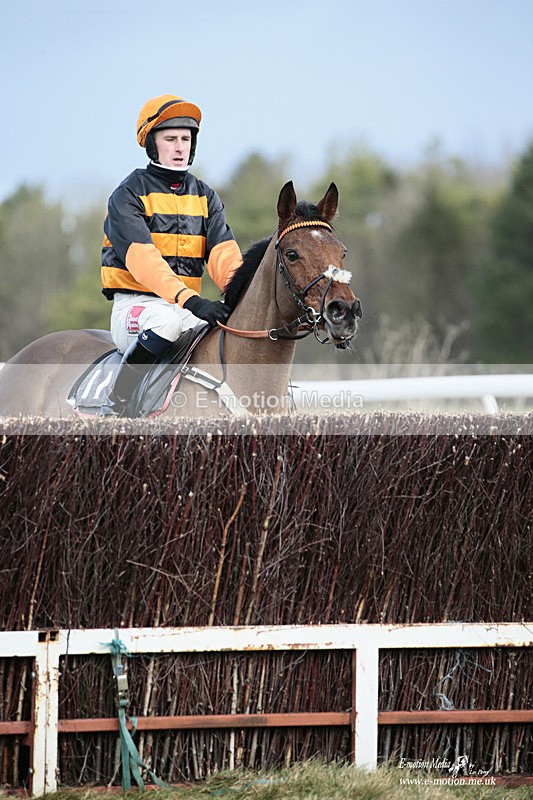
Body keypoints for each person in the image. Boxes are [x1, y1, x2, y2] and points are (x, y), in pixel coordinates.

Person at [100, 94, 242, 415]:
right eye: (171, 139)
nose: (180, 147)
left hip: (185, 308)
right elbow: (144, 262)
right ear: (152, 144)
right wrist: (190, 300)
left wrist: (240, 295)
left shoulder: (205, 195)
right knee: (165, 322)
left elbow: (224, 255)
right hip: (137, 309)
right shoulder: (128, 194)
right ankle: (116, 404)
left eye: (186, 139)